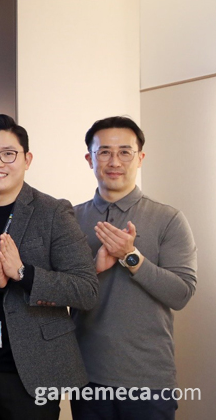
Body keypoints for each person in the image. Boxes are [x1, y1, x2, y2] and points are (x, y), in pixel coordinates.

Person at [0, 114, 99, 420]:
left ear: (27, 159)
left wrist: (24, 274)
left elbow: (86, 290)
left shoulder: (53, 212)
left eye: (8, 154)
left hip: (36, 371)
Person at [70, 116, 197, 419]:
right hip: (86, 375)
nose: (115, 161)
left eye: (125, 152)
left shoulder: (168, 219)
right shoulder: (70, 219)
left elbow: (181, 294)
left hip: (149, 379)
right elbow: (57, 294)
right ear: (89, 159)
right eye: (104, 152)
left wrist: (131, 257)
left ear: (140, 158)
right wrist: (93, 268)